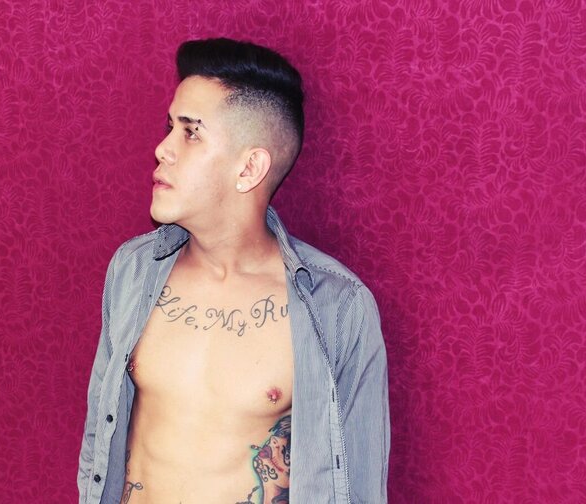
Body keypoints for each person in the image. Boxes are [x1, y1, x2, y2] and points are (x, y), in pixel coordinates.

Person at [77, 37, 390, 504]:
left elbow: (359, 486)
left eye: (190, 133)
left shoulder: (337, 308)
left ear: (249, 168)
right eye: (169, 127)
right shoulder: (133, 270)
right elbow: (98, 448)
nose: (162, 149)